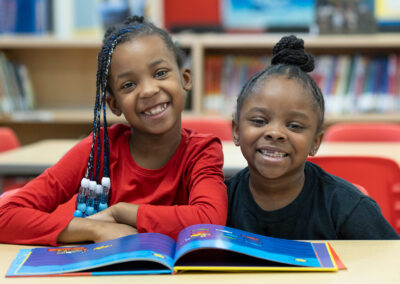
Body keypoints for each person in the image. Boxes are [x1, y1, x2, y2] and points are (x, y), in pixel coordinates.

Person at [0, 16, 227, 246]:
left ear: (185, 79)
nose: (148, 90)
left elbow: (209, 221)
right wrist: (94, 229)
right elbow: (4, 215)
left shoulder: (202, 152)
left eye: (160, 73)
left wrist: (120, 213)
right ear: (114, 104)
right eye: (128, 85)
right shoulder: (97, 151)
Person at [226, 35, 399, 240]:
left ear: (315, 142)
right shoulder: (219, 201)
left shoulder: (348, 207)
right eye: (259, 121)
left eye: (294, 125)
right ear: (236, 130)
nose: (275, 133)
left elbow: (390, 263)